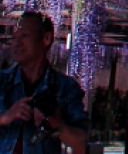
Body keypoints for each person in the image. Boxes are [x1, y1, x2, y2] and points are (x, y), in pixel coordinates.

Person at [0, 11, 89, 154]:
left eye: (24, 36)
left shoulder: (65, 87)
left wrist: (57, 125)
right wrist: (5, 117)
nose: (16, 44)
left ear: (46, 39)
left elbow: (81, 142)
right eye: (14, 38)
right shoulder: (2, 82)